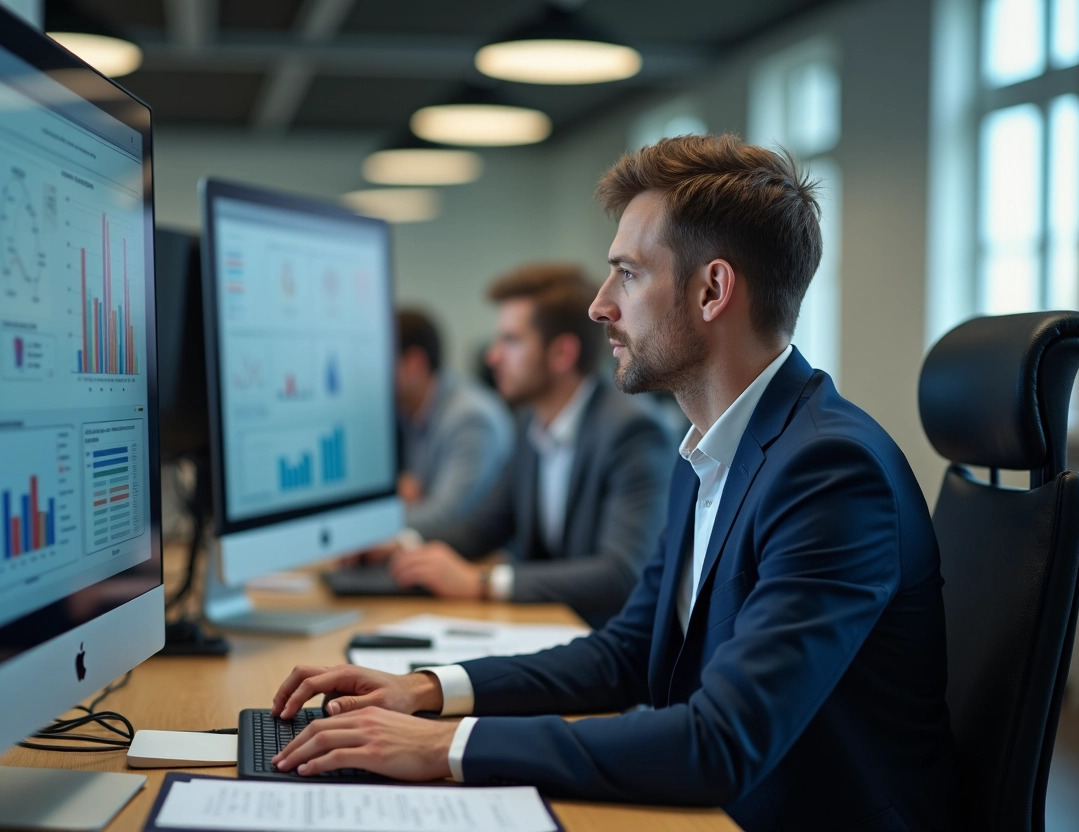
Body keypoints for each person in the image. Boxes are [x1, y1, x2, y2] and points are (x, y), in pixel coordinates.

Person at [268, 135, 957, 831]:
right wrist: (429, 692)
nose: (600, 306)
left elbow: (721, 742)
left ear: (712, 289)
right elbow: (626, 651)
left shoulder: (829, 472)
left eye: (626, 274)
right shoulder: (713, 450)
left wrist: (445, 746)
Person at [389, 265, 675, 627]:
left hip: (611, 648)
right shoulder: (531, 423)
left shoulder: (632, 431)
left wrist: (483, 583)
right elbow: (485, 526)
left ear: (561, 354)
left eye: (510, 341)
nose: (493, 357)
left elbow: (621, 573)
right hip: (552, 629)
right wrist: (404, 544)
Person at [393, 308, 513, 539]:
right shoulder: (405, 412)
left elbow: (447, 517)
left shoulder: (471, 418)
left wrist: (369, 522)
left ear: (414, 364)